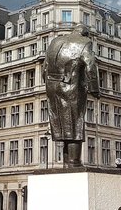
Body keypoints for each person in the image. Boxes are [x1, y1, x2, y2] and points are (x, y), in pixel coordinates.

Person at [43, 24, 100, 167]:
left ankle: (66, 163)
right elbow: (90, 66)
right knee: (75, 124)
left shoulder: (55, 41)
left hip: (52, 86)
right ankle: (74, 162)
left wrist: (49, 84)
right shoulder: (85, 42)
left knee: (61, 125)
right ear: (85, 34)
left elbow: (45, 67)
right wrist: (94, 89)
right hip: (72, 86)